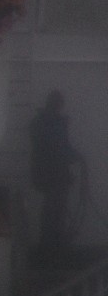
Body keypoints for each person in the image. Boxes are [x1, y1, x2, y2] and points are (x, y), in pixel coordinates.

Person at [29, 91, 83, 259]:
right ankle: (50, 247)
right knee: (53, 210)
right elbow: (55, 148)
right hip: (53, 176)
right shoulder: (50, 124)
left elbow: (60, 147)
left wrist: (74, 156)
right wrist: (74, 157)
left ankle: (52, 245)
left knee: (55, 210)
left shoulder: (42, 123)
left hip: (53, 175)